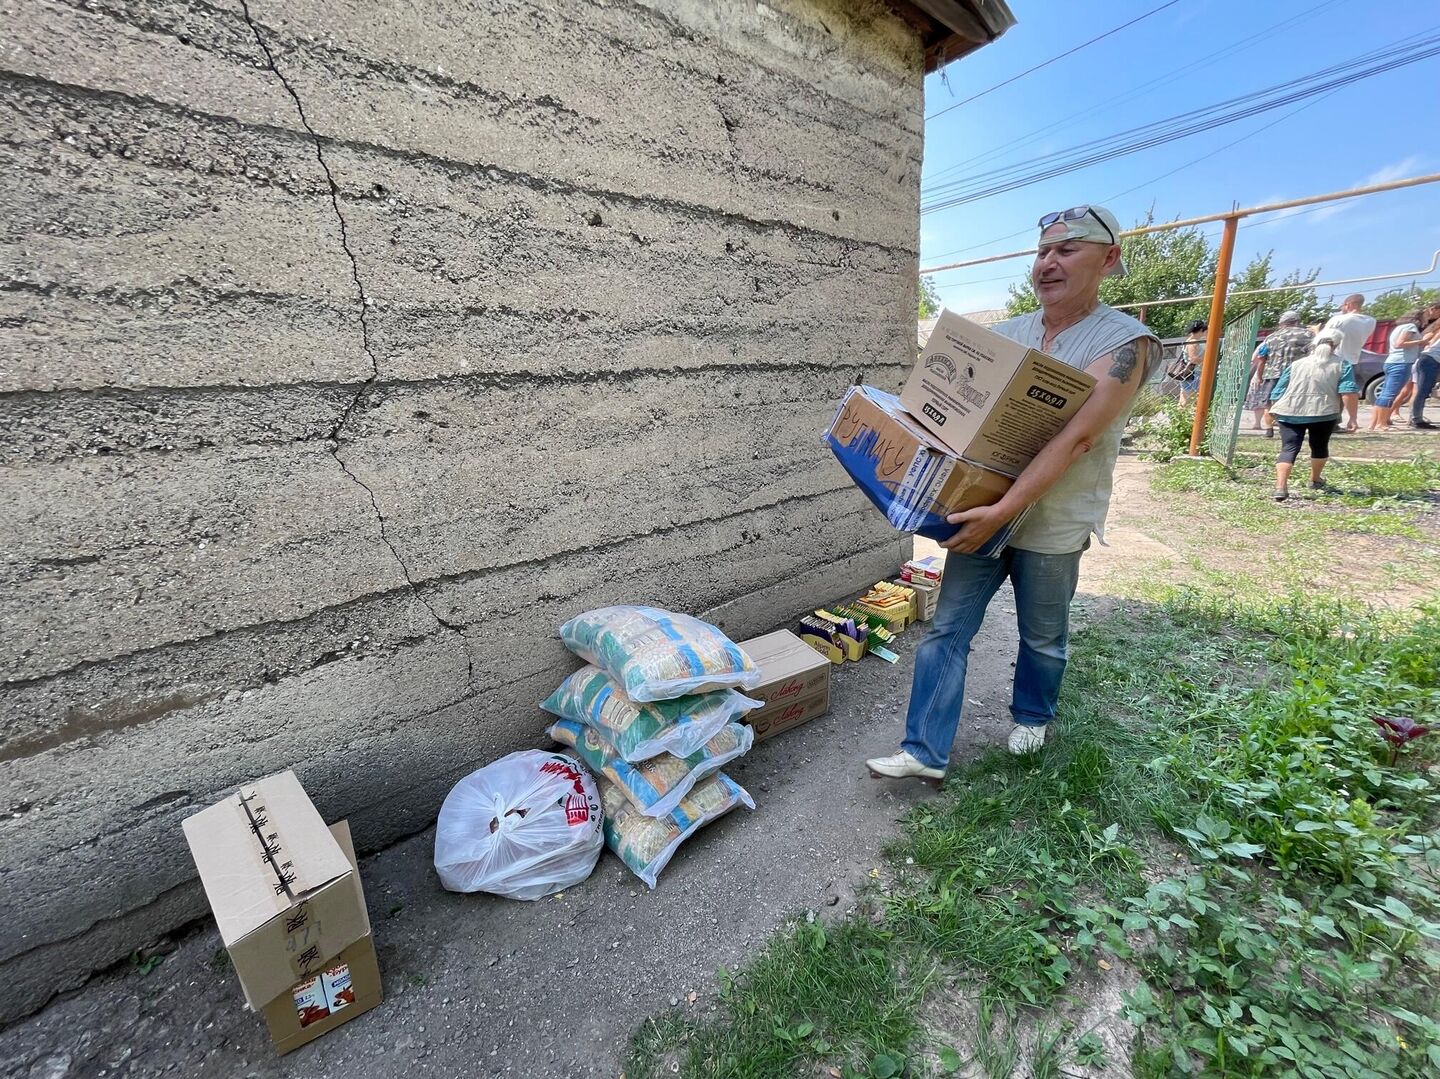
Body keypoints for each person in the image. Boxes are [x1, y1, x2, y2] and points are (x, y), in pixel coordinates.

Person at [866, 204, 1159, 780]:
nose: (1049, 263)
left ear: (1109, 259)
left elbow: (1077, 438)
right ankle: (923, 752)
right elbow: (949, 416)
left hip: (1053, 518)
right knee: (948, 627)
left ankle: (1032, 715)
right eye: (1043, 251)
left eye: (1067, 250)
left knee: (1043, 634)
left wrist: (1004, 508)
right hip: (979, 511)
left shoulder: (1129, 342)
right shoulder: (1003, 337)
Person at [1266, 329, 1357, 500]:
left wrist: (1273, 412)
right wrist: (1352, 418)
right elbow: (1348, 392)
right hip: (1324, 413)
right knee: (1319, 446)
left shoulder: (1296, 364)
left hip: (1288, 412)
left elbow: (1277, 392)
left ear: (1315, 343)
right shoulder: (1342, 365)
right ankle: (1315, 480)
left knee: (1289, 448)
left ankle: (1280, 486)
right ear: (1336, 345)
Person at [1246, 311, 1312, 437]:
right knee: (1296, 401)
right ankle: (1293, 429)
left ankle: (1269, 429)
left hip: (1272, 374)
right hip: (1298, 374)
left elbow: (1262, 358)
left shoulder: (1271, 337)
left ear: (1282, 323)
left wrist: (1259, 376)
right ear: (1297, 321)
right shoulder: (1308, 335)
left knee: (1269, 403)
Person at [1320, 294, 1375, 432]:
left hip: (1334, 359)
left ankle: (1327, 421)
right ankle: (1341, 421)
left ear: (1348, 304)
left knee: (1329, 393)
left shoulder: (1338, 319)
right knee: (1346, 391)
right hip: (1353, 359)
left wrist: (1316, 331)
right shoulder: (1370, 321)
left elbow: (1323, 340)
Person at [1373, 310, 1423, 430]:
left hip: (1392, 361)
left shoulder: (1398, 327)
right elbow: (1400, 343)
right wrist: (1422, 341)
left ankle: (1374, 423)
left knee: (1385, 393)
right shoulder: (1411, 327)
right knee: (1389, 394)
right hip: (1401, 362)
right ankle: (1381, 424)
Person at [1411, 301, 1440, 429]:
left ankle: (1415, 418)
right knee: (1423, 390)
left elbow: (1430, 341)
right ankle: (1416, 419)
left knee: (1424, 390)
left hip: (1430, 359)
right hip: (1430, 360)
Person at [1169, 319, 1206, 407]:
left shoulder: (1191, 340)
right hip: (1192, 373)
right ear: (1200, 330)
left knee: (1186, 396)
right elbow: (1193, 358)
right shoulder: (1192, 342)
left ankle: (1180, 415)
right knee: (1187, 397)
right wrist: (1206, 360)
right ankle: (1181, 414)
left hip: (1191, 373)